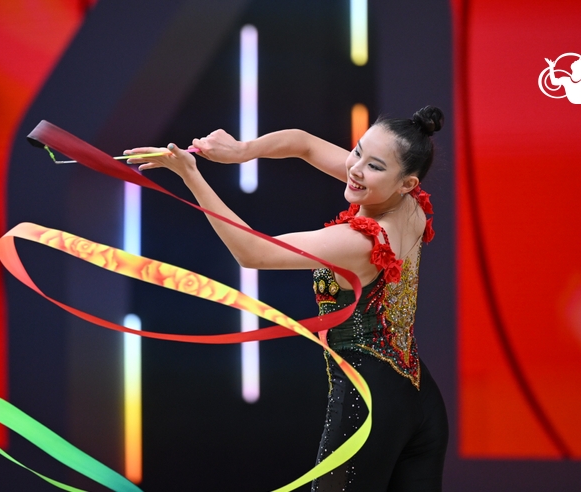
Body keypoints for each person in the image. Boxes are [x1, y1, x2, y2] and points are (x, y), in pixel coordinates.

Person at [125, 106, 449, 491]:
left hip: (367, 408)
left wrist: (190, 175)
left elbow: (253, 252)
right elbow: (303, 143)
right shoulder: (410, 207)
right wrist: (242, 150)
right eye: (357, 151)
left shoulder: (359, 242)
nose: (355, 169)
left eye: (374, 166)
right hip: (419, 399)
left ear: (407, 183)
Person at [545, 5, 581, 104]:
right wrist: (551, 67)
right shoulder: (569, 79)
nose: (578, 59)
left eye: (580, 61)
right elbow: (553, 82)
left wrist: (551, 67)